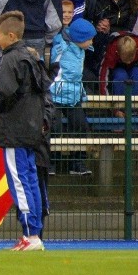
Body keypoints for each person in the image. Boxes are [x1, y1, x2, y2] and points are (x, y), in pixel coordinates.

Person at [0, 11, 50, 251]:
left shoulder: (10, 60)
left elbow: (5, 93)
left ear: (10, 36)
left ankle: (30, 236)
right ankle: (35, 234)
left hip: (14, 131)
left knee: (19, 182)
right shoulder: (31, 58)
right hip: (31, 130)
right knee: (31, 180)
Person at [49, 18, 96, 176]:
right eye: (89, 39)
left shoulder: (82, 50)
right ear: (79, 39)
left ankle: (78, 163)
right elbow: (53, 70)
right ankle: (50, 163)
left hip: (74, 95)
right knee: (53, 128)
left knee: (81, 126)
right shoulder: (62, 48)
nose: (91, 42)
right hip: (56, 94)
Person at [83, 0, 138, 79]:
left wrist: (111, 30)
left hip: (124, 52)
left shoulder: (132, 0)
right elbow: (83, 22)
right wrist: (96, 27)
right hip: (98, 54)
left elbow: (134, 29)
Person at [99, 32, 138, 99]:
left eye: (131, 59)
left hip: (136, 67)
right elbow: (103, 76)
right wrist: (110, 104)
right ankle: (119, 104)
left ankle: (136, 104)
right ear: (117, 53)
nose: (128, 62)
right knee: (120, 75)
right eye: (125, 59)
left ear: (136, 50)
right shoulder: (111, 52)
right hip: (118, 68)